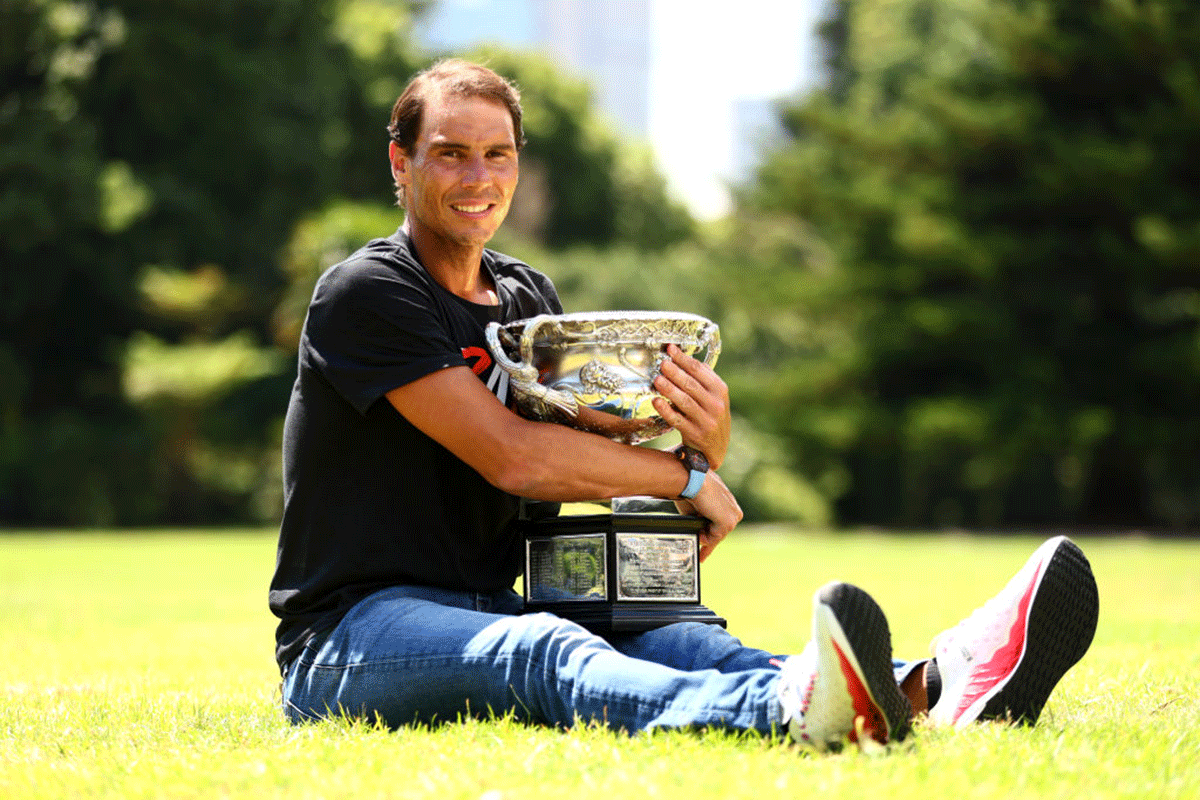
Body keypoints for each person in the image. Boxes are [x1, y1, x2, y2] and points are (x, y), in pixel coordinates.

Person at [269, 59, 1100, 750]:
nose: (479, 178)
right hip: (350, 634)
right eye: (450, 153)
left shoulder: (527, 299)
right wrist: (684, 479)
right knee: (545, 648)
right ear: (399, 163)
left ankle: (937, 682)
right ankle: (788, 716)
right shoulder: (367, 292)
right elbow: (513, 455)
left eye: (498, 155)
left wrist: (701, 442)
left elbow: (580, 445)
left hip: (498, 597)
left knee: (686, 639)